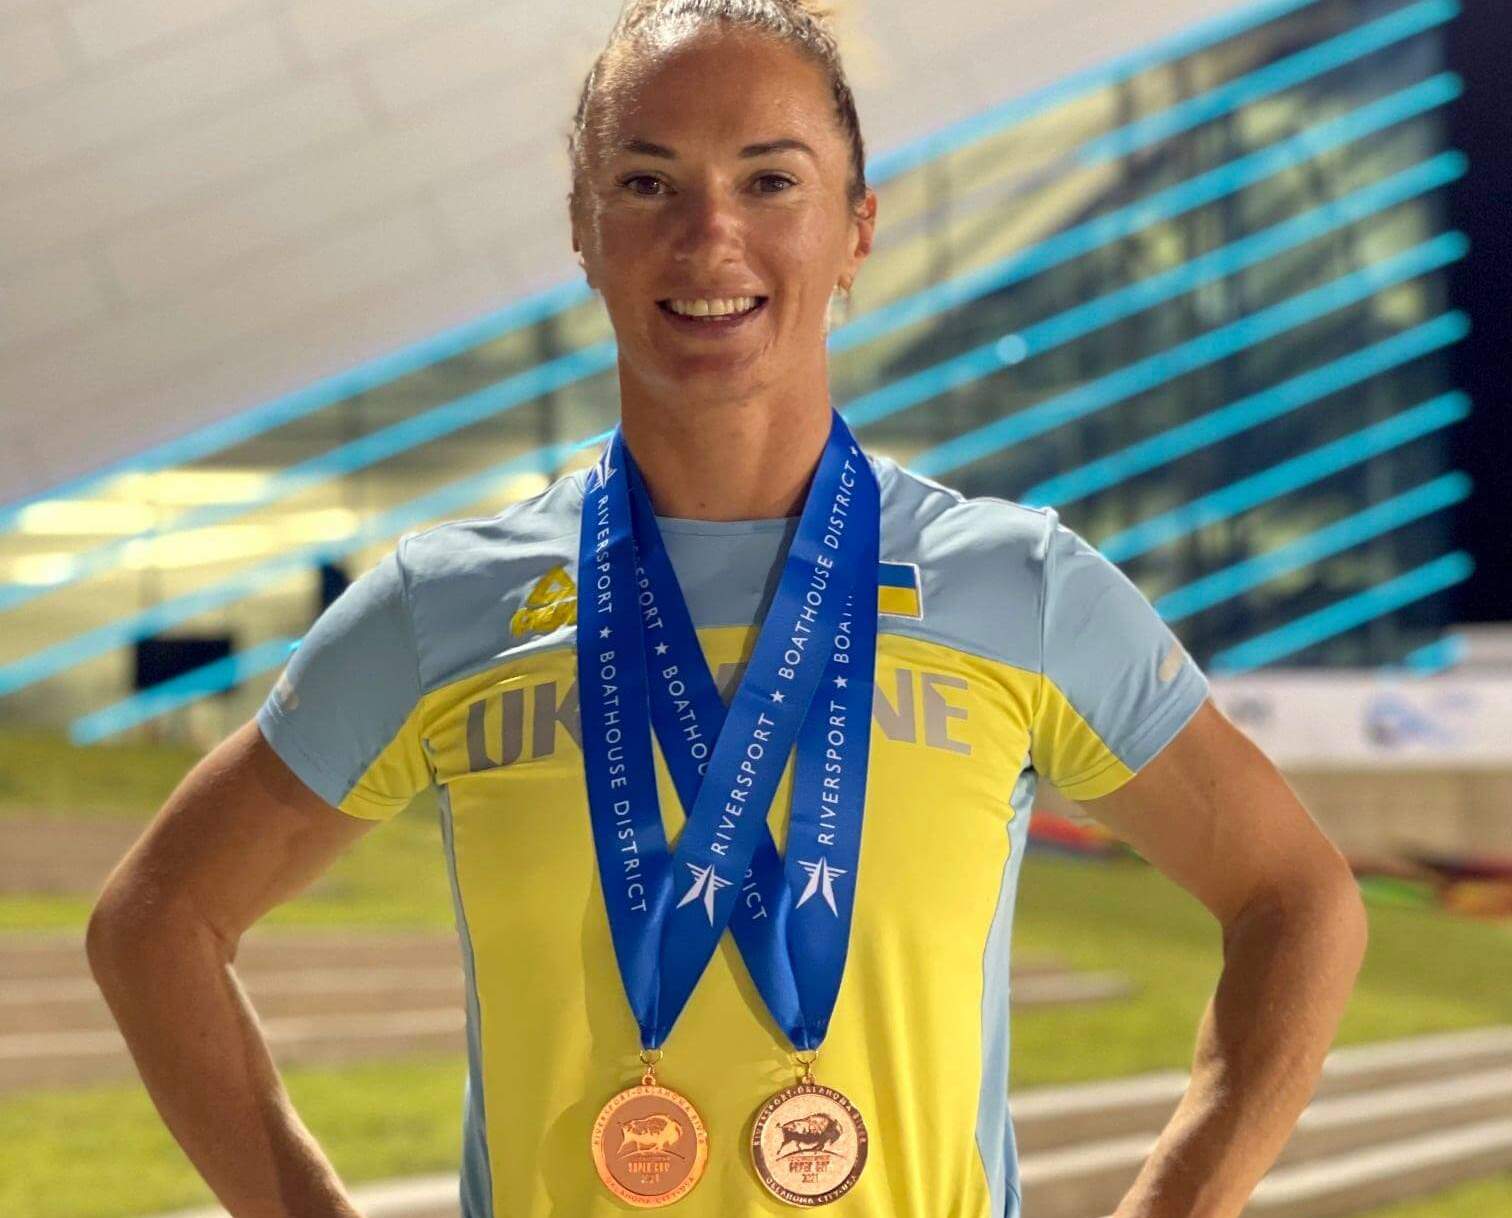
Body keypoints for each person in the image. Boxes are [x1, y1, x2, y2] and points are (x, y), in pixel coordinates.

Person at [86, 1, 1369, 1215]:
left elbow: (1296, 899)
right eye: (648, 183)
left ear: (858, 227)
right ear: (583, 230)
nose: (710, 239)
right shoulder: (449, 606)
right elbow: (155, 925)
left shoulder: (1017, 587)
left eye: (770, 181)